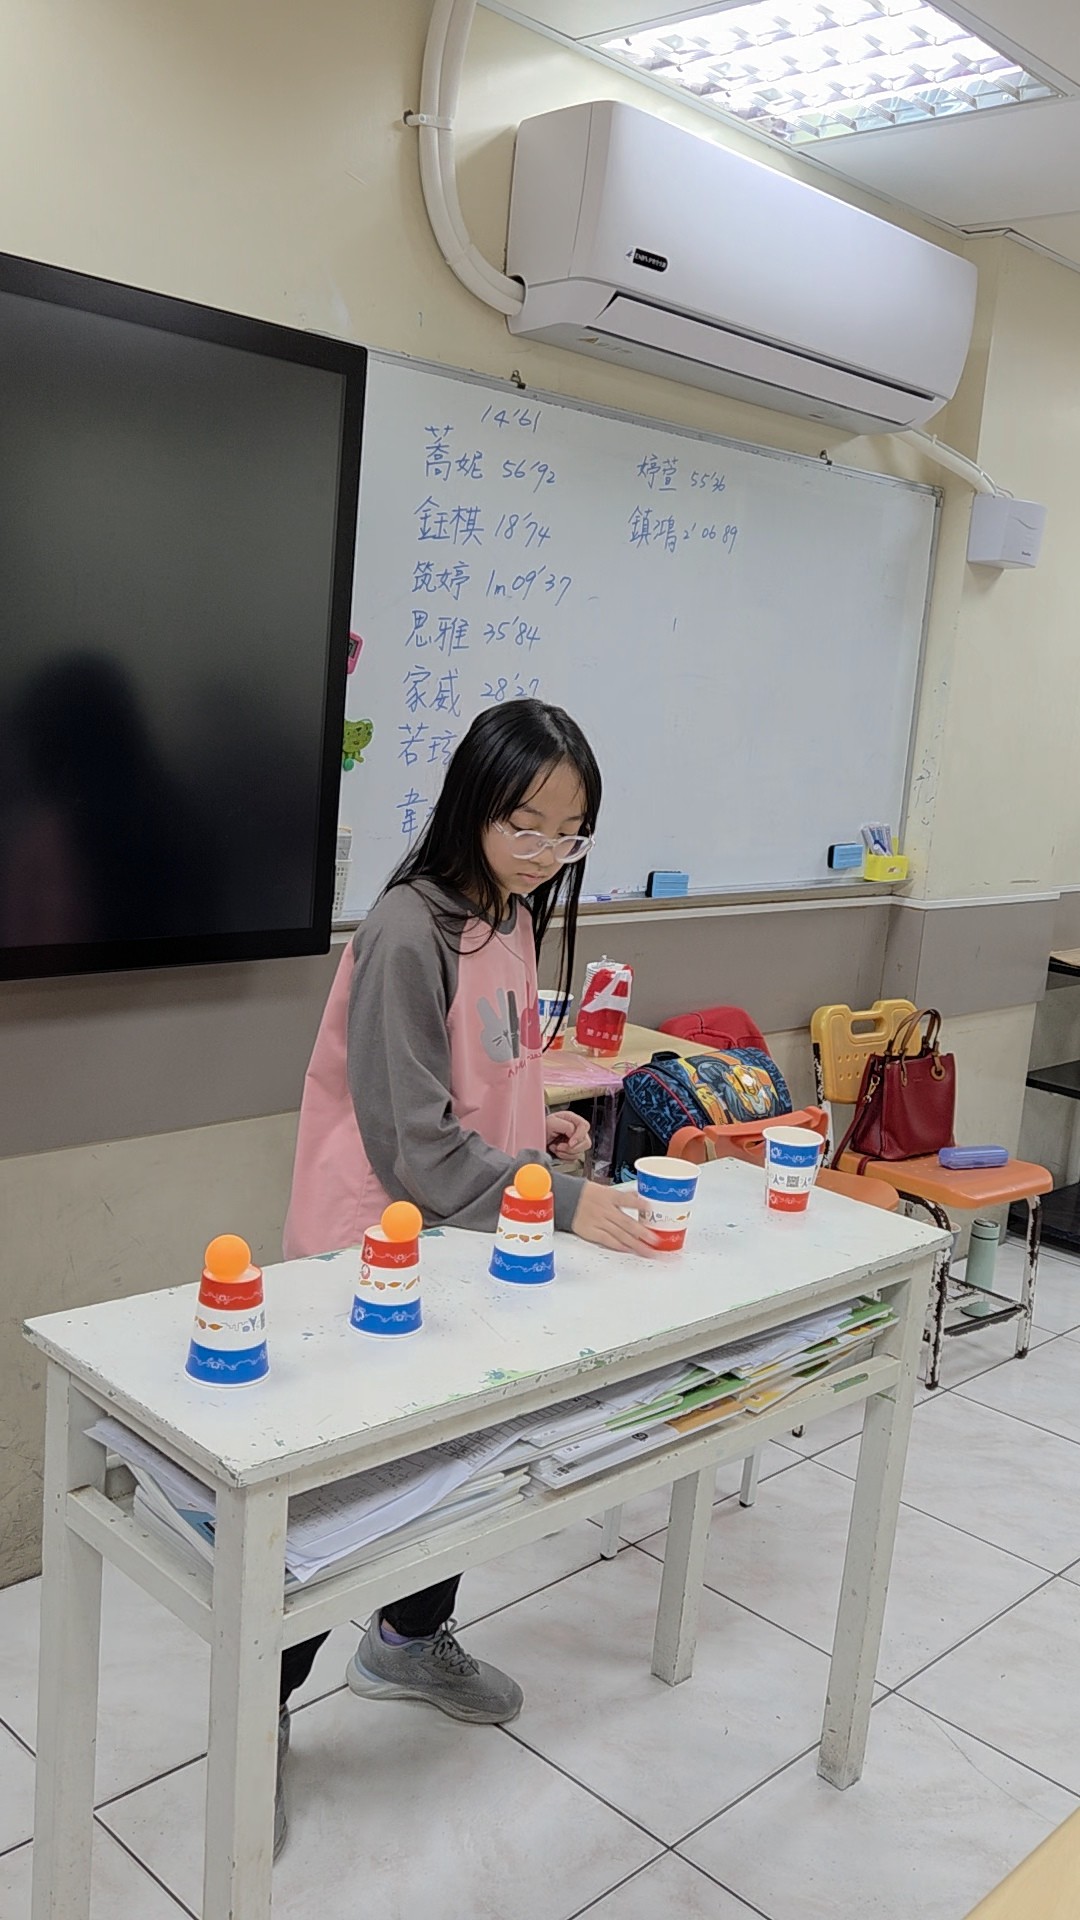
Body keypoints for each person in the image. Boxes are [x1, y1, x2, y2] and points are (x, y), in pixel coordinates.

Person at [274, 698, 656, 1853]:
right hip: (374, 1259)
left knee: (458, 1466)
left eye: (569, 833)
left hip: (468, 1243)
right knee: (340, 1508)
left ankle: (404, 1641)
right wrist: (568, 1203)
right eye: (524, 824)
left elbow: (480, 1095)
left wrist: (543, 1141)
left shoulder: (509, 914)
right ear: (471, 804)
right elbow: (417, 1147)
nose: (544, 852)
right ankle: (257, 1712)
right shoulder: (410, 928)